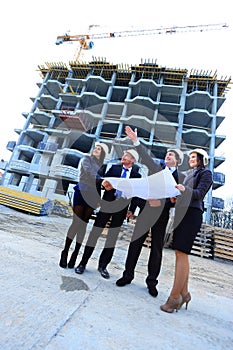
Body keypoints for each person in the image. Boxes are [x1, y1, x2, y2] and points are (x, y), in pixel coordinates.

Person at [116, 125, 185, 298]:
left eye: (171, 155)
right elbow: (146, 157)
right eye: (167, 154)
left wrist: (174, 202)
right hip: (147, 212)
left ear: (177, 161)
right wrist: (135, 141)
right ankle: (127, 275)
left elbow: (182, 199)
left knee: (156, 249)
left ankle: (152, 282)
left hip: (162, 216)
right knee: (135, 243)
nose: (167, 156)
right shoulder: (157, 169)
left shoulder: (182, 178)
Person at [74, 148, 141, 279]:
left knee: (112, 237)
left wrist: (132, 209)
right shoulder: (114, 169)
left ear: (133, 160)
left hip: (121, 209)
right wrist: (101, 193)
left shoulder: (136, 176)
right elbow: (101, 182)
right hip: (107, 204)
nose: (123, 156)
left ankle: (103, 266)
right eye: (124, 155)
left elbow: (135, 194)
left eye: (127, 155)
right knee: (94, 233)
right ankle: (83, 263)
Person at [160, 148, 213, 313]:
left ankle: (175, 297)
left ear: (202, 159)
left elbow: (198, 194)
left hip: (192, 214)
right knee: (180, 253)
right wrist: (176, 197)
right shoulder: (189, 174)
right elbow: (185, 193)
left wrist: (184, 190)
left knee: (182, 253)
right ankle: (184, 293)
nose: (191, 159)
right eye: (190, 157)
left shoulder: (206, 174)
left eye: (194, 157)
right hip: (182, 212)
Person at [59, 142, 109, 269]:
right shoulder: (86, 159)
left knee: (83, 225)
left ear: (102, 152)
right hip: (82, 191)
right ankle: (65, 252)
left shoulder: (103, 165)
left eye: (99, 149)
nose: (96, 150)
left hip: (93, 195)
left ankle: (75, 254)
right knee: (76, 223)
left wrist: (99, 199)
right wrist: (102, 180)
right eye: (96, 148)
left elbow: (98, 185)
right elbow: (90, 172)